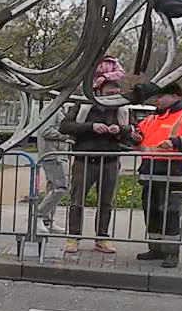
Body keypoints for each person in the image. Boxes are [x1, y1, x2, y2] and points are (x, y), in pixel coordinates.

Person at [55, 57, 136, 254]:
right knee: (77, 200)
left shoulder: (122, 108)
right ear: (98, 90)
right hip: (85, 159)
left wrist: (121, 129)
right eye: (109, 91)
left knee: (106, 202)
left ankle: (102, 238)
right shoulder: (83, 105)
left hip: (110, 160)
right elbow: (65, 126)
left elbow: (134, 130)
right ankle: (73, 237)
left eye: (116, 91)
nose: (114, 94)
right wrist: (90, 127)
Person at [134, 81, 182, 268]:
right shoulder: (152, 119)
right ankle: (155, 248)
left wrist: (175, 142)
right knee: (151, 212)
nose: (157, 100)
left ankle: (171, 253)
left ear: (175, 96)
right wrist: (132, 137)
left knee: (171, 214)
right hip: (150, 171)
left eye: (161, 96)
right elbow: (138, 135)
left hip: (175, 172)